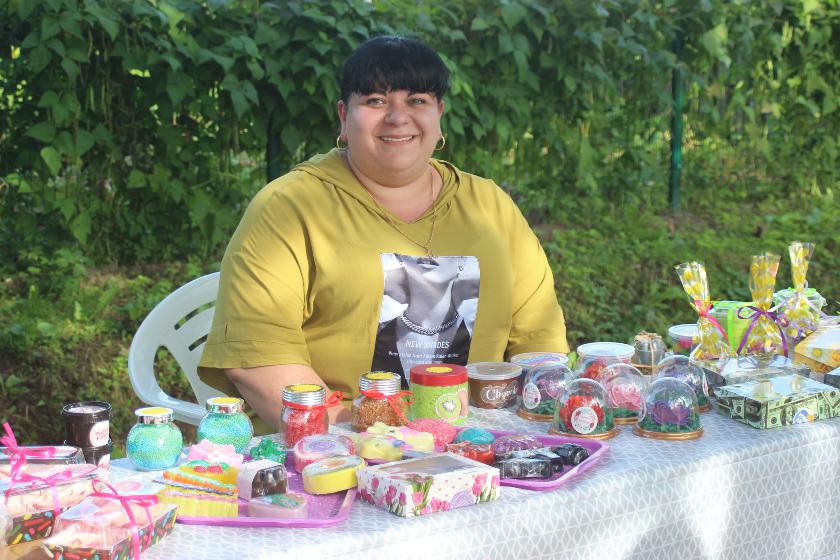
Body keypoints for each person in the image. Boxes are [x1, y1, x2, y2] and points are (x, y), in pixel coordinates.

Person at [198, 36, 569, 434]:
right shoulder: (289, 208)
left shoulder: (490, 208)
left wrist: (514, 432)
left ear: (439, 114)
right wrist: (368, 437)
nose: (397, 117)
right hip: (336, 445)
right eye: (375, 101)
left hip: (479, 441)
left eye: (417, 100)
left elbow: (539, 339)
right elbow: (259, 358)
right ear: (344, 116)